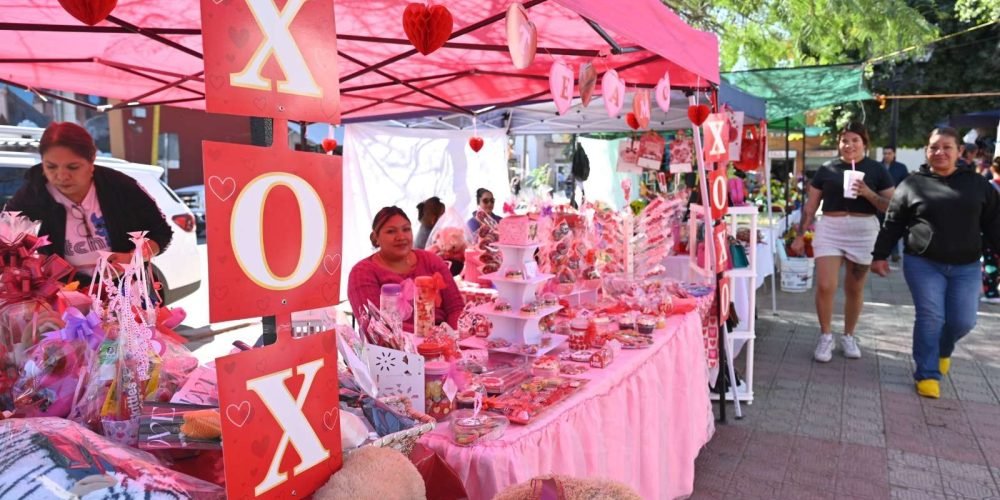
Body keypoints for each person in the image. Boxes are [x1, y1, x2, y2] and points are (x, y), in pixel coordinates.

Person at [870, 128, 1000, 398]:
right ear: (926, 151)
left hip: (966, 266)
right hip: (923, 263)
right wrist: (880, 255)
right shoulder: (912, 184)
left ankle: (943, 349)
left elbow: (993, 224)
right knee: (931, 316)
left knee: (963, 321)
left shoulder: (978, 185)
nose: (939, 152)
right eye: (934, 147)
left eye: (947, 147)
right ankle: (927, 374)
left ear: (959, 151)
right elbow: (893, 221)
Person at [7, 122, 172, 284]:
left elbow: (161, 233)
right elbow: (7, 242)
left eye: (73, 167)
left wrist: (132, 258)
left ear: (91, 160)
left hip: (125, 288)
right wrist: (32, 265)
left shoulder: (119, 186)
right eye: (51, 167)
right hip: (63, 292)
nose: (62, 176)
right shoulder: (32, 195)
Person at [791, 122, 895, 362]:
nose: (849, 145)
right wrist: (799, 235)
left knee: (854, 288)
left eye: (855, 140)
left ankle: (849, 335)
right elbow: (811, 206)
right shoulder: (827, 169)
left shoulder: (877, 170)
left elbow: (893, 206)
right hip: (831, 228)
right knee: (825, 285)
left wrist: (868, 193)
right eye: (844, 140)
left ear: (864, 143)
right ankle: (826, 335)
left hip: (864, 230)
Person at [348, 206, 464, 330]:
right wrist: (426, 336)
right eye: (391, 231)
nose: (401, 237)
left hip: (445, 337)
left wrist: (451, 336)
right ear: (376, 237)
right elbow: (375, 326)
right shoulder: (362, 272)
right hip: (395, 342)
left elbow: (456, 308)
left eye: (406, 229)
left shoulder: (431, 260)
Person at [881, 146, 909, 261]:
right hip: (880, 202)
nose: (886, 155)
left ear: (894, 154)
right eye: (885, 153)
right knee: (880, 228)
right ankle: (880, 253)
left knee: (893, 227)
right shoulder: (878, 166)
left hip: (896, 201)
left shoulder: (901, 167)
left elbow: (906, 183)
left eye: (889, 153)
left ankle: (895, 253)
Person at [981, 157, 1000, 304]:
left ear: (993, 169)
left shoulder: (988, 187)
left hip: (990, 232)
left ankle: (992, 292)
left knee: (990, 263)